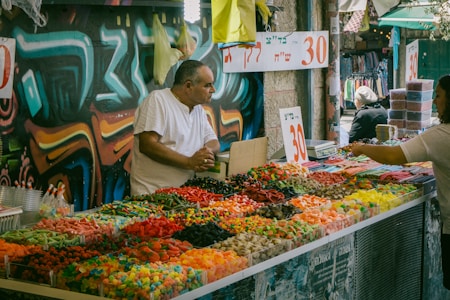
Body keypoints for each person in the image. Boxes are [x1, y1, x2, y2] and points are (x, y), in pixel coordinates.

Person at [351, 74, 450, 290]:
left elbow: (393, 156)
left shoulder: (441, 135)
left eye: (439, 95)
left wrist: (361, 148)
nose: (434, 101)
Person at [130, 60, 221, 195]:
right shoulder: (158, 100)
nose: (213, 90)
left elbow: (213, 142)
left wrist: (206, 152)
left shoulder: (198, 110)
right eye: (207, 85)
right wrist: (189, 162)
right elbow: (147, 145)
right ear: (188, 86)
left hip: (183, 194)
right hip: (151, 195)